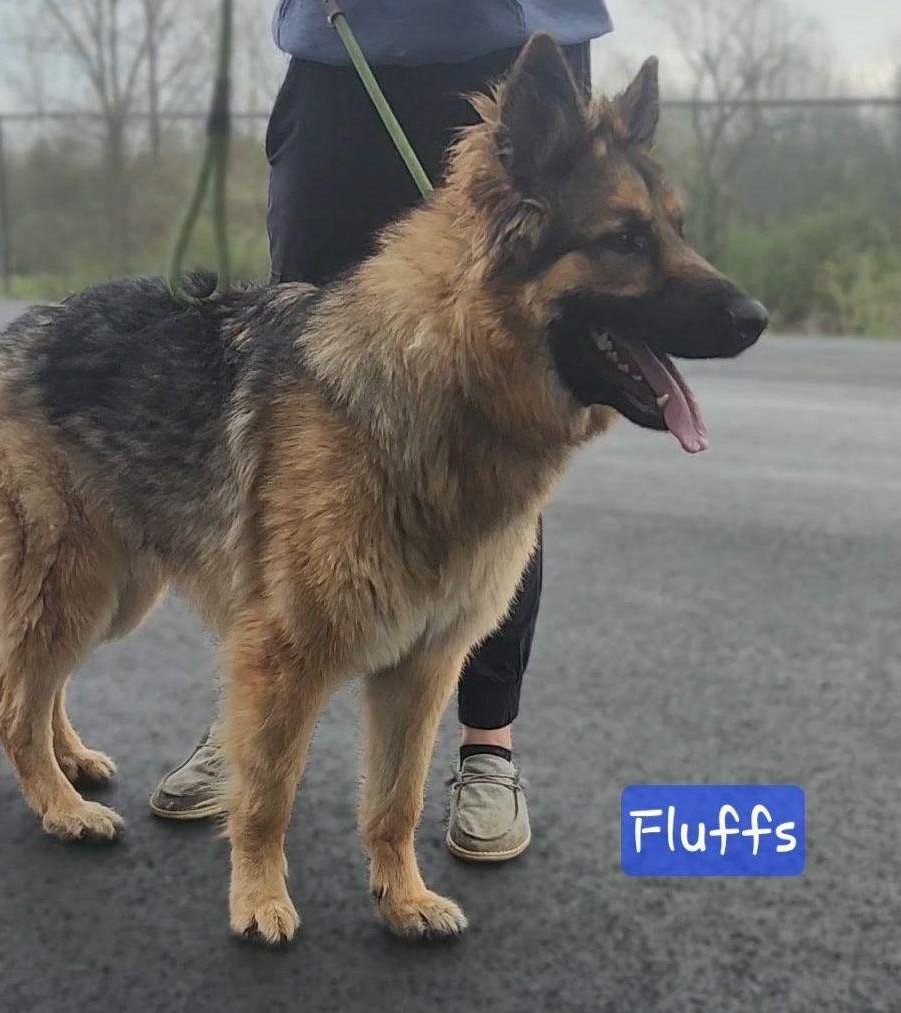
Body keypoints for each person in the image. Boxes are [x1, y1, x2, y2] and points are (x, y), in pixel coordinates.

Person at [149, 0, 613, 862]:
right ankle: (254, 719)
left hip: (515, 53)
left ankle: (486, 747)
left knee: (502, 418)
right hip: (341, 52)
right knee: (295, 407)